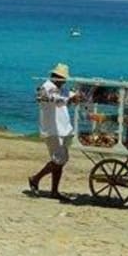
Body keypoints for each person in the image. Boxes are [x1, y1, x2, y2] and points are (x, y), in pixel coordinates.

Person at [28, 62, 81, 200]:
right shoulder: (46, 88)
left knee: (60, 161)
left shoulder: (61, 89)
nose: (63, 81)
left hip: (64, 128)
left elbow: (69, 96)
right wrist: (69, 98)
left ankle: (54, 191)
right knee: (58, 160)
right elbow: (55, 100)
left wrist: (75, 96)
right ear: (56, 76)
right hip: (52, 129)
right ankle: (35, 178)